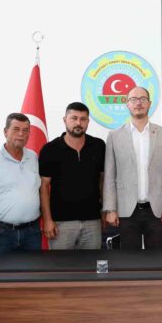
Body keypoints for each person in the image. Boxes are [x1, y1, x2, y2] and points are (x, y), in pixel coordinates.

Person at [102, 86, 162, 250]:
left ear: (149, 103)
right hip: (126, 210)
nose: (138, 103)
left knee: (156, 258)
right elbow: (110, 175)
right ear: (127, 104)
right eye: (134, 99)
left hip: (156, 210)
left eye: (143, 99)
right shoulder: (114, 136)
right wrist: (111, 209)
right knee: (130, 260)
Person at [39, 102, 106, 250]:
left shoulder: (99, 146)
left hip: (92, 221)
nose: (78, 123)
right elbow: (43, 187)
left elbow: (103, 182)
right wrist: (47, 220)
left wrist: (104, 211)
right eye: (74, 118)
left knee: (91, 264)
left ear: (88, 121)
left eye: (83, 119)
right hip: (61, 223)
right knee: (60, 264)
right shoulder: (50, 149)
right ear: (65, 120)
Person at [0, 113, 42, 259]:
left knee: (33, 272)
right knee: (0, 273)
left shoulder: (33, 157)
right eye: (16, 129)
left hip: (32, 232)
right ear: (5, 132)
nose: (21, 134)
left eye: (25, 130)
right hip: (2, 233)